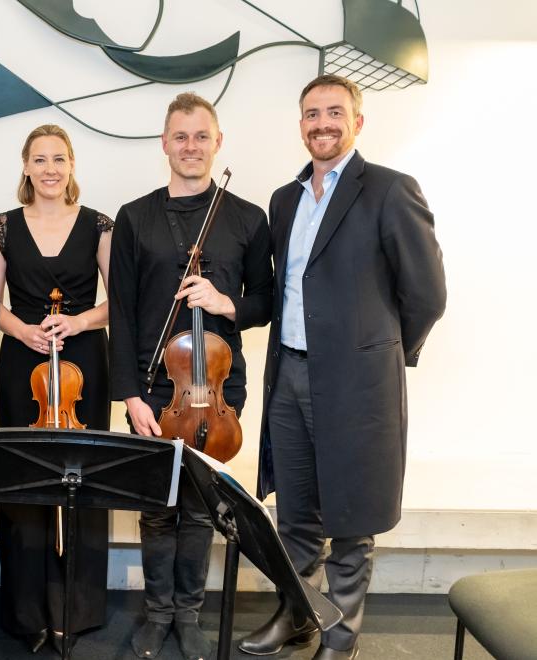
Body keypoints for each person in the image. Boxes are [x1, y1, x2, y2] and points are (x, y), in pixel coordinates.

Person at [238, 75, 446, 660]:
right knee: (296, 513)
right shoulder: (285, 199)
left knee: (352, 517)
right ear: (300, 123)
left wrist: (383, 354)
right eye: (311, 113)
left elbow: (426, 294)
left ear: (358, 121)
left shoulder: (388, 189)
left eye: (334, 112)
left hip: (358, 385)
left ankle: (342, 636)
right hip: (290, 374)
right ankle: (300, 616)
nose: (322, 123)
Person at [108, 92, 273, 660]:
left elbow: (266, 301)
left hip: (218, 388)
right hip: (154, 388)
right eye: (180, 136)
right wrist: (129, 394)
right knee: (157, 507)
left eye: (202, 136)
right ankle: (156, 614)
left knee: (201, 506)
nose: (191, 147)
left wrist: (227, 303)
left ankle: (188, 614)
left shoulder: (249, 218)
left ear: (218, 142)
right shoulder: (134, 217)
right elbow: (122, 312)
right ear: (164, 143)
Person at [0, 124, 113, 653]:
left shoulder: (100, 225)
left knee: (86, 483)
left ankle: (76, 612)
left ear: (72, 164)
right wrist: (24, 331)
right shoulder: (1, 228)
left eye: (59, 159)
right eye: (40, 159)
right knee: (25, 483)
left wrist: (79, 323)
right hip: (24, 362)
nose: (51, 169)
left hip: (84, 362)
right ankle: (26, 613)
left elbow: (121, 302)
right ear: (26, 166)